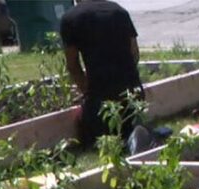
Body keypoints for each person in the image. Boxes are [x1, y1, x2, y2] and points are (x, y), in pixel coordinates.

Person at [59, 0, 143, 146]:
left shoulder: (70, 18)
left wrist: (86, 91)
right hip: (133, 97)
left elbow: (72, 65)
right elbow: (134, 53)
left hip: (102, 103)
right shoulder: (119, 11)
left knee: (89, 134)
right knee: (128, 127)